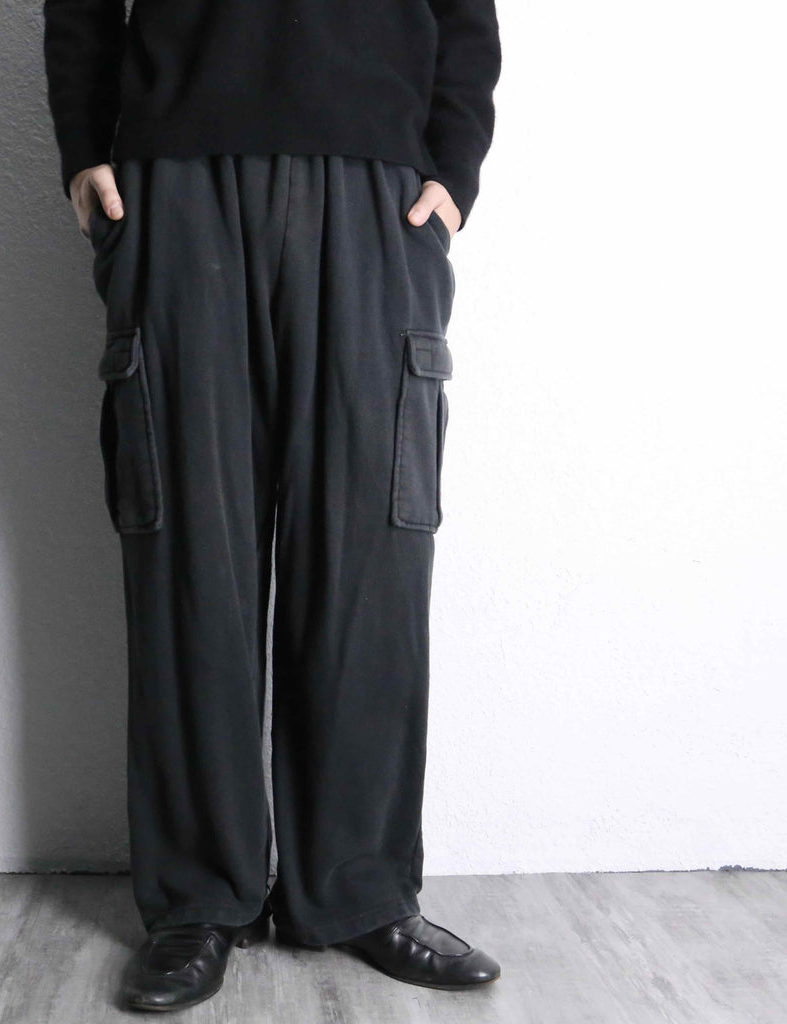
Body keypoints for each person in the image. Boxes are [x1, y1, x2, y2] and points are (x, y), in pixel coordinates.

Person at [43, 0, 502, 1011]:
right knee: (188, 556)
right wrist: (84, 151)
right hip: (178, 179)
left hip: (379, 192)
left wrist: (454, 168)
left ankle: (360, 890)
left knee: (370, 559)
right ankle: (196, 901)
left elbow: (466, 11)